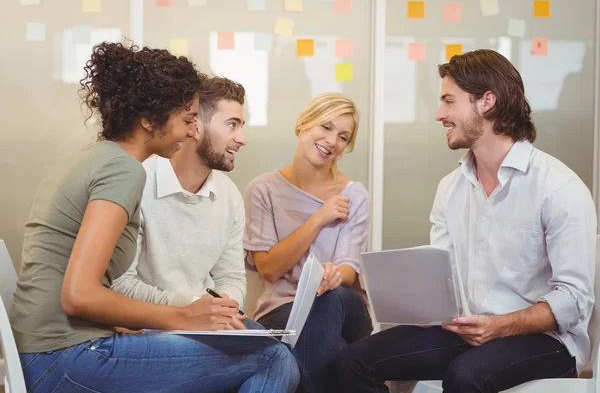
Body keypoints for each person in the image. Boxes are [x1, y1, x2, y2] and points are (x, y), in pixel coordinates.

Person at [10, 42, 299, 393]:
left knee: (258, 348)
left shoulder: (97, 158)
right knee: (272, 357)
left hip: (48, 352)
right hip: (67, 356)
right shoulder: (124, 171)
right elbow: (78, 295)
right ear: (149, 120)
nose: (190, 131)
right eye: (187, 120)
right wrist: (184, 316)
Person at [335, 49, 596, 393]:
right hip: (470, 331)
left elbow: (575, 300)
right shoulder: (451, 188)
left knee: (464, 375)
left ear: (486, 101)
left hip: (547, 341)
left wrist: (501, 325)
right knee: (351, 362)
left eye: (449, 102)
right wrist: (404, 292)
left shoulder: (558, 188)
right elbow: (445, 280)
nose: (439, 114)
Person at [244, 92, 373, 392]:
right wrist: (318, 218)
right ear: (304, 124)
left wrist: (332, 276)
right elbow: (269, 269)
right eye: (325, 127)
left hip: (344, 309)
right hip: (282, 310)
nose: (332, 141)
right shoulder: (263, 190)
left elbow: (349, 270)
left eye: (343, 137)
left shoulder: (354, 196)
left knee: (329, 298)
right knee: (340, 355)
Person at [111, 76, 249, 309]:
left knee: (270, 342)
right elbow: (120, 283)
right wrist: (194, 308)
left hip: (204, 321)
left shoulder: (229, 195)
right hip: (149, 323)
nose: (242, 139)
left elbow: (231, 277)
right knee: (272, 348)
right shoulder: (138, 183)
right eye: (232, 124)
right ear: (195, 126)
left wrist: (226, 308)